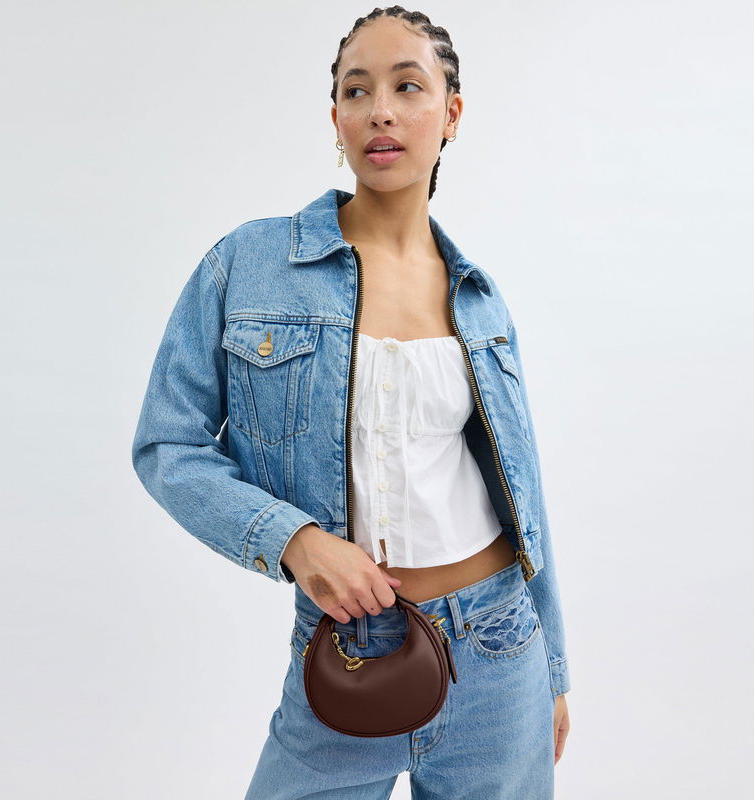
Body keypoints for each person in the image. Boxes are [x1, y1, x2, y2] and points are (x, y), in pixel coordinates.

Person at [132, 6, 571, 798]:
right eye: (356, 90)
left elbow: (523, 495)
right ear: (335, 118)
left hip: (501, 649)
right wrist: (295, 540)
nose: (380, 111)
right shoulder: (248, 264)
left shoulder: (479, 300)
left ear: (452, 114)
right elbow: (169, 444)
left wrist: (556, 671)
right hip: (344, 648)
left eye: (408, 87)